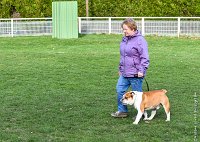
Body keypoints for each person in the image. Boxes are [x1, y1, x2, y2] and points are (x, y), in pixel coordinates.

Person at [111, 18, 150, 118]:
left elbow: (144, 57)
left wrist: (142, 70)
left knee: (138, 97)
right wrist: (120, 68)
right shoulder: (124, 39)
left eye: (126, 29)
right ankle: (122, 111)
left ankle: (140, 114)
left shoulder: (140, 40)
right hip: (124, 73)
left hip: (136, 74)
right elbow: (123, 56)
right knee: (120, 90)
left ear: (132, 28)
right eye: (123, 29)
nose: (124, 31)